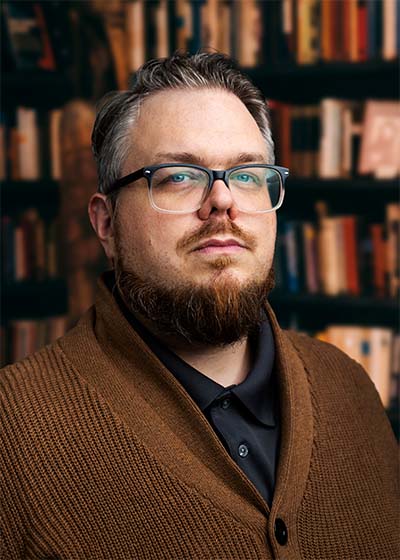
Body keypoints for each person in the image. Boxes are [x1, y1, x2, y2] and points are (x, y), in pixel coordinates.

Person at [0, 52, 398, 560]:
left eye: (248, 174)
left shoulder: (350, 388)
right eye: (178, 176)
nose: (223, 200)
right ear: (105, 225)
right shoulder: (13, 434)